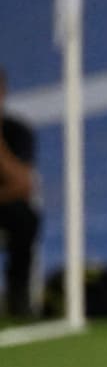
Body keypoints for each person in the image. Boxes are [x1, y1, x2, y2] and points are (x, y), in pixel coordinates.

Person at [0, 67, 40, 320]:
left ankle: (19, 297)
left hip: (5, 204)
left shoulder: (18, 132)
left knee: (26, 218)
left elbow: (25, 184)